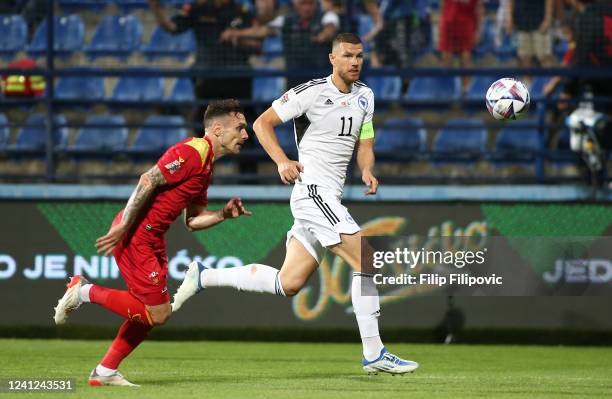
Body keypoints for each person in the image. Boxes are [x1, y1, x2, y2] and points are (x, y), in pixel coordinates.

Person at [172, 33, 419, 375]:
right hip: (312, 192)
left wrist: (367, 171)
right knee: (366, 257)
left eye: (360, 56)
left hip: (329, 195)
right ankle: (374, 353)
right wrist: (282, 162)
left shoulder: (366, 97)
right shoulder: (312, 92)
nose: (355, 62)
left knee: (289, 283)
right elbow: (262, 124)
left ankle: (204, 276)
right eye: (348, 55)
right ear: (332, 59)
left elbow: (365, 143)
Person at [52, 100, 252, 386]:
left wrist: (222, 214)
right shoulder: (192, 152)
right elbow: (149, 179)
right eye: (240, 128)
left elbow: (192, 221)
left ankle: (105, 371)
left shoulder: (206, 167)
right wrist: (124, 225)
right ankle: (84, 292)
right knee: (158, 314)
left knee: (150, 312)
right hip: (137, 236)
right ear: (218, 129)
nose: (245, 135)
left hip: (153, 239)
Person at [438, 0, 484, 90]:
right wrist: (440, 25)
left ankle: (467, 90)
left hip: (467, 24)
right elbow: (442, 5)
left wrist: (478, 30)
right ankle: (446, 89)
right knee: (446, 58)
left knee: (466, 58)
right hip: (448, 24)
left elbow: (479, 8)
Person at [506, 0, 555, 69]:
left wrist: (548, 18)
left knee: (544, 56)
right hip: (521, 22)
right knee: (524, 57)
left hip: (540, 20)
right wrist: (510, 18)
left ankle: (550, 79)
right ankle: (527, 80)